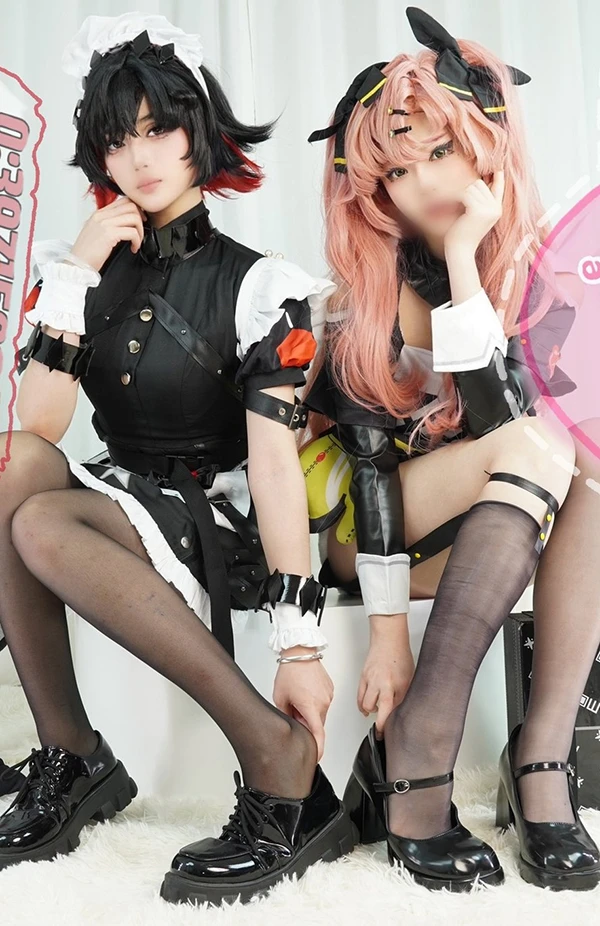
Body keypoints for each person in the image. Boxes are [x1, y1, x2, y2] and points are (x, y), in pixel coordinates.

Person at [0, 13, 354, 907]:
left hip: (216, 518)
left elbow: (274, 466)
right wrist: (79, 271)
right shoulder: (82, 270)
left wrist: (299, 643)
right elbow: (38, 428)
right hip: (122, 495)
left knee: (39, 522)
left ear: (198, 129)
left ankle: (274, 755)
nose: (141, 158)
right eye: (119, 141)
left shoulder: (260, 284)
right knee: (12, 469)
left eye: (158, 130)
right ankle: (73, 757)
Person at [301, 5, 600, 892]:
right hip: (366, 532)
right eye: (398, 169)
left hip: (488, 532)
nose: (425, 182)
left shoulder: (532, 277)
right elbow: (375, 473)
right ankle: (424, 743)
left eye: (442, 151)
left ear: (487, 145)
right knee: (542, 441)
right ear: (370, 187)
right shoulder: (362, 298)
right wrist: (387, 637)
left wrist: (468, 259)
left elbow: (513, 433)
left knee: (588, 470)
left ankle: (541, 761)